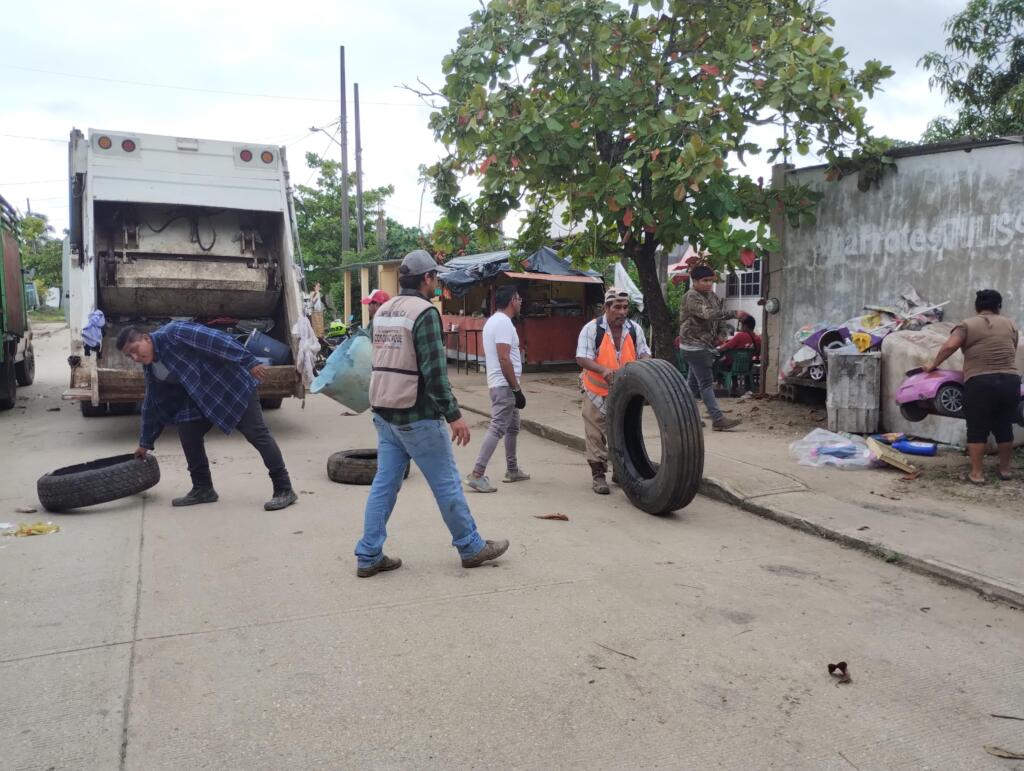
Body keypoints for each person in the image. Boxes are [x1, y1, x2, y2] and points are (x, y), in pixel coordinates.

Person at [355, 249, 509, 577]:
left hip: (384, 413)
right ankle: (470, 546)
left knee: (384, 483)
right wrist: (454, 415)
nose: (436, 282)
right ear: (427, 279)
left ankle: (368, 554)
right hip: (417, 415)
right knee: (447, 483)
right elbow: (435, 372)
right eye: (434, 277)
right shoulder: (424, 313)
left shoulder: (383, 311)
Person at [117, 322, 297, 510]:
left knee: (256, 433)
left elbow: (217, 340)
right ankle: (203, 488)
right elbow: (151, 403)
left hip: (230, 386)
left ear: (146, 338)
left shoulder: (174, 333)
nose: (135, 357)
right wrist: (145, 443)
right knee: (188, 432)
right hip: (201, 397)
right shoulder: (152, 368)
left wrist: (248, 361)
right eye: (129, 355)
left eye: (135, 349)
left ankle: (284, 488)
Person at [924, 289, 1020, 484]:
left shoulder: (966, 325)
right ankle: (1005, 469)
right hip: (1010, 380)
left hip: (981, 381)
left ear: (976, 307)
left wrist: (932, 365)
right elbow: (1013, 347)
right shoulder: (1010, 324)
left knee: (977, 427)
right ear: (999, 307)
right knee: (1004, 425)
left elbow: (950, 346)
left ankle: (977, 473)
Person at [575, 287, 652, 495]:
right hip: (595, 390)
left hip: (624, 393)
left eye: (625, 307)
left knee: (623, 432)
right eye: (617, 307)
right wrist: (603, 370)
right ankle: (598, 475)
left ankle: (621, 470)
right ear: (606, 308)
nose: (622, 312)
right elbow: (581, 357)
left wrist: (643, 365)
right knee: (595, 434)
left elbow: (644, 353)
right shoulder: (592, 329)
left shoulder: (634, 329)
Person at [465, 285, 529, 493]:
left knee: (512, 427)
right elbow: (504, 358)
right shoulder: (502, 323)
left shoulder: (494, 321)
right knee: (498, 427)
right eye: (519, 299)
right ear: (512, 300)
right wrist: (516, 389)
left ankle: (512, 469)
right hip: (504, 385)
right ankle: (477, 473)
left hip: (501, 384)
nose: (521, 302)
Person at [679, 265, 745, 431]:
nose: (708, 284)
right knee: (707, 383)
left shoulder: (712, 295)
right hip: (693, 345)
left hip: (704, 345)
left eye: (710, 280)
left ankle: (686, 417)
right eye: (705, 280)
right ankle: (717, 419)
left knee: (692, 385)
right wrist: (734, 314)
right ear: (695, 281)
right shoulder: (691, 296)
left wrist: (721, 334)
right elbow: (709, 314)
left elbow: (719, 317)